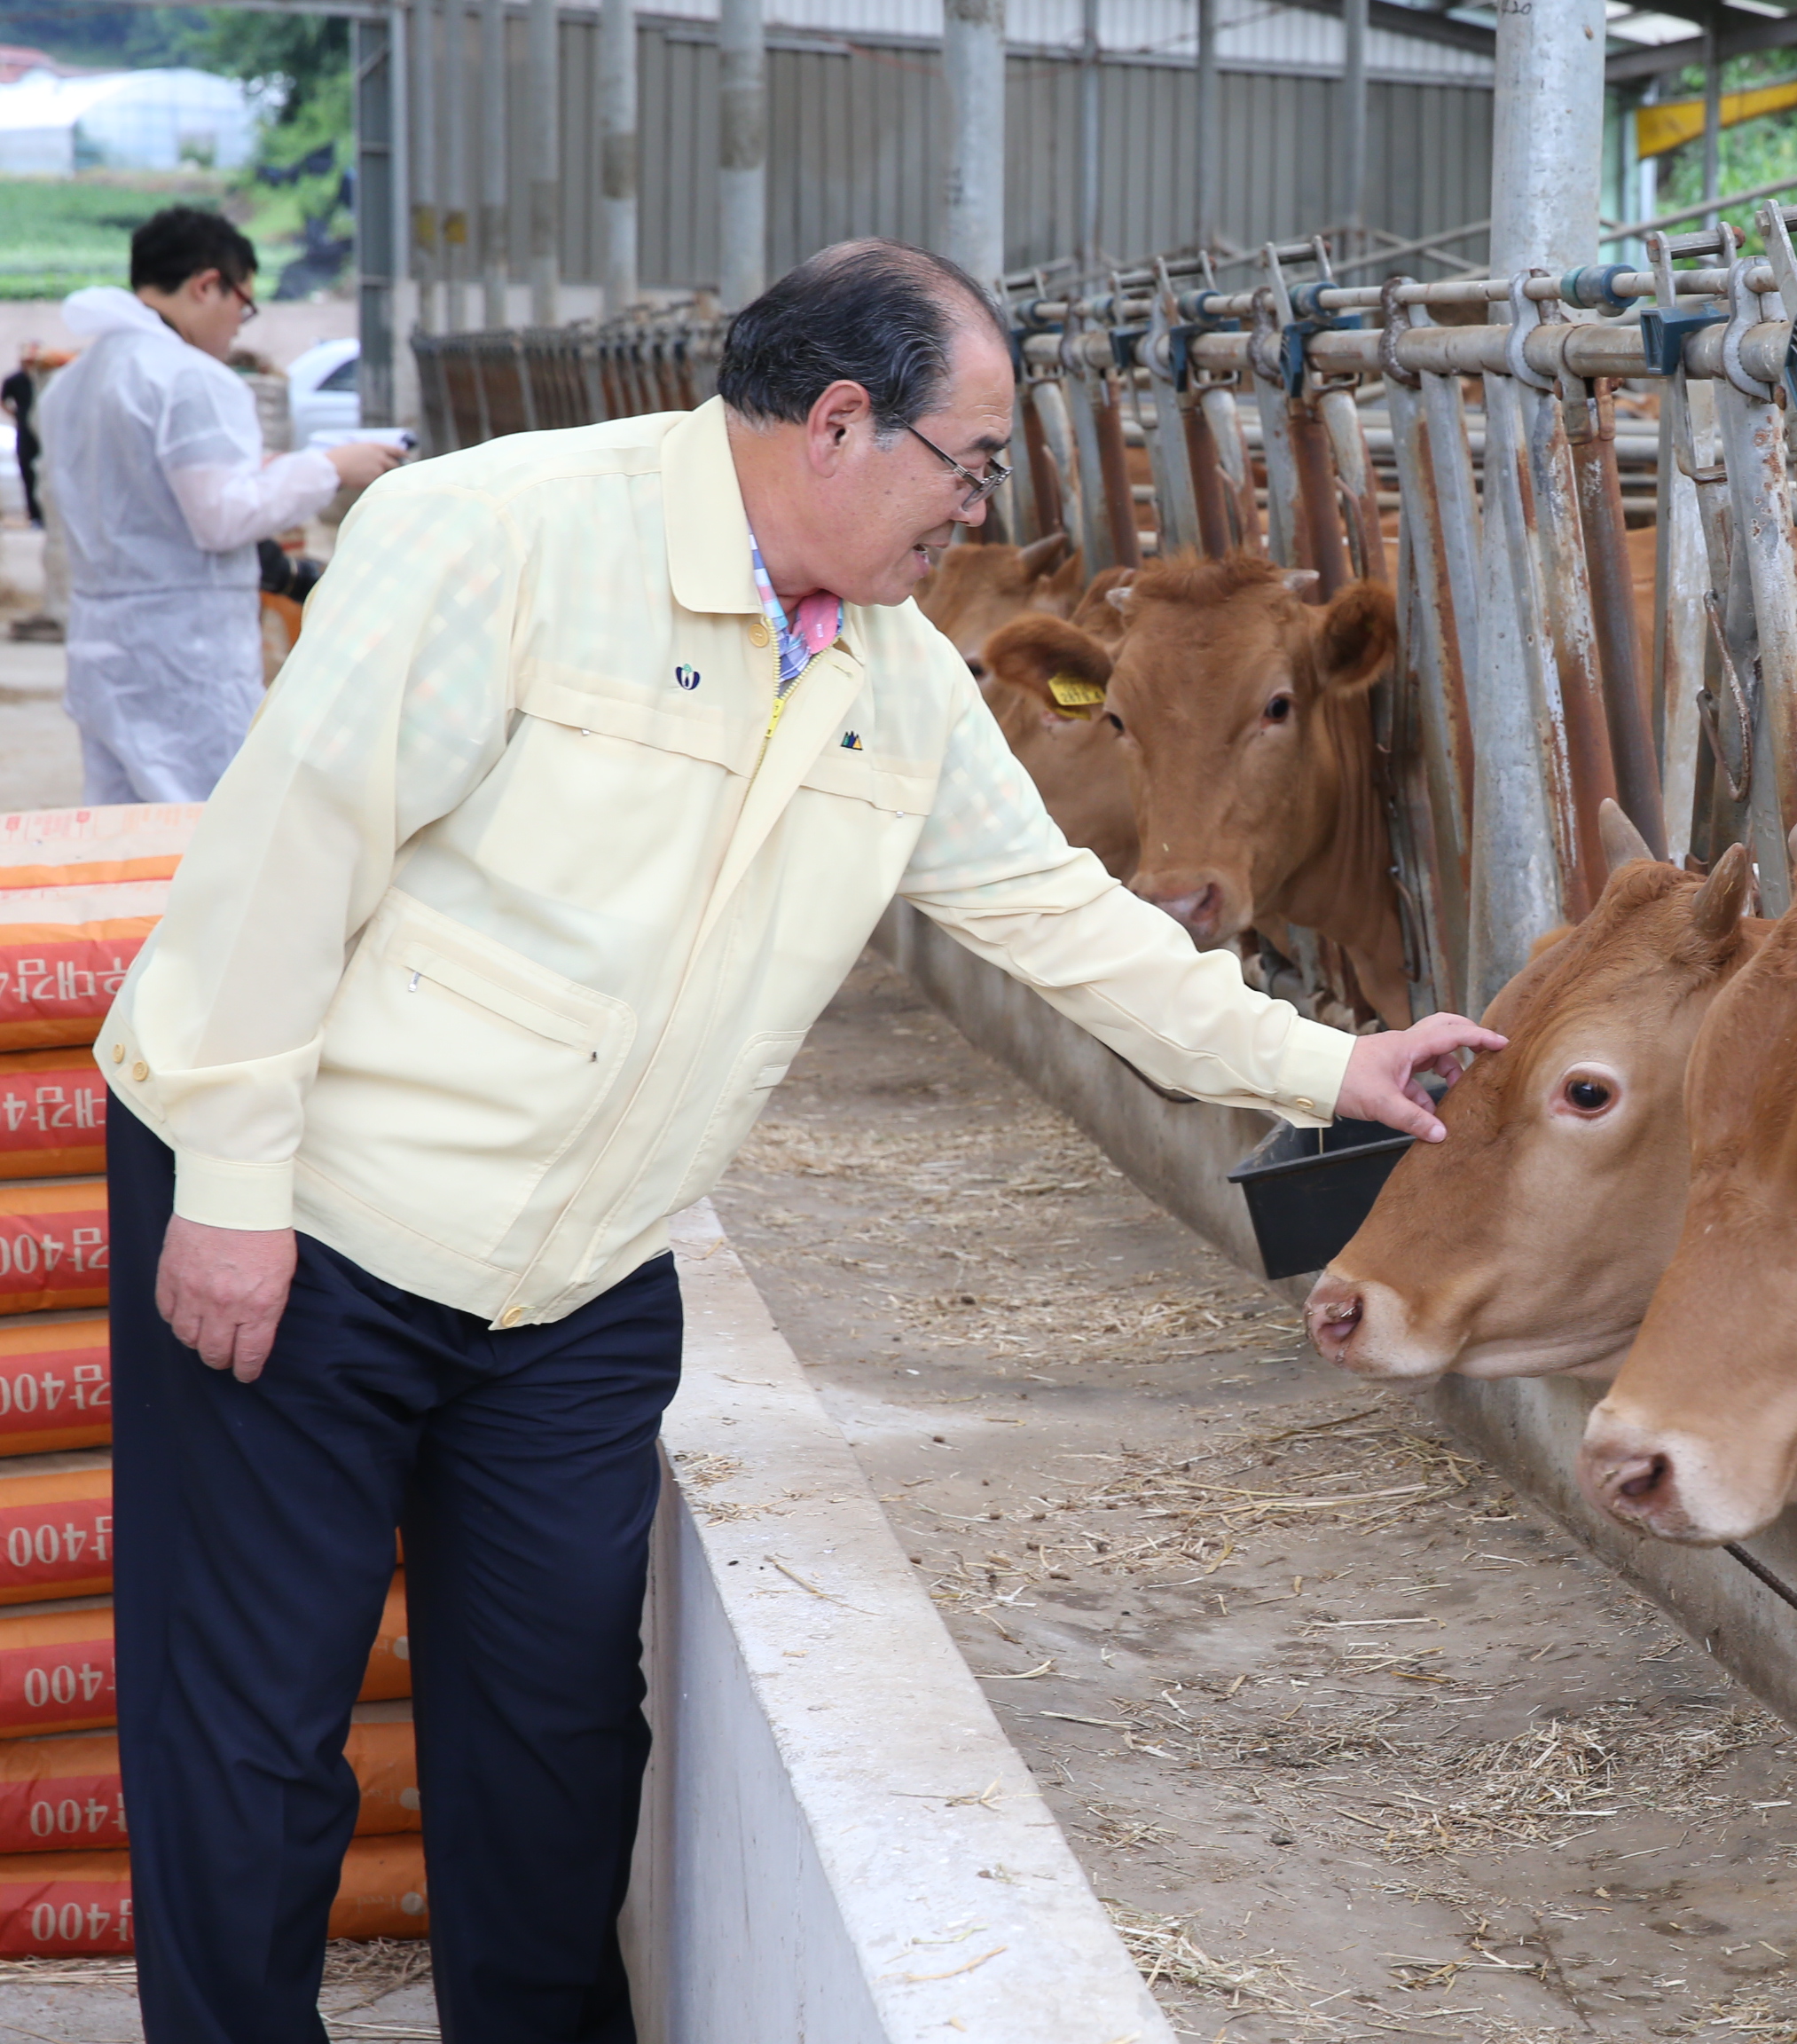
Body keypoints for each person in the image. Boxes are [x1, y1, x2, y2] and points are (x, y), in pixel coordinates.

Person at [97, 237, 1503, 2044]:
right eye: (971, 462)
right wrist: (226, 1184)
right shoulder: (500, 534)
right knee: (254, 1737)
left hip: (579, 1273)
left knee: (554, 1747)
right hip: (309, 1216)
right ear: (844, 422)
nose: (980, 507)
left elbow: (1056, 917)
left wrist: (1330, 1067)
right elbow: (287, 858)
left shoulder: (896, 680)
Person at [37, 206, 405, 804]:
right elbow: (223, 517)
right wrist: (330, 467)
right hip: (185, 652)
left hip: (103, 644)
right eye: (243, 304)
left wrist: (273, 471)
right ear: (208, 285)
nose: (240, 324)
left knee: (123, 833)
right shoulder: (191, 379)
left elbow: (147, 499)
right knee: (210, 830)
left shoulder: (77, 383)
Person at [3, 342, 40, 528]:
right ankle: (34, 515)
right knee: (28, 472)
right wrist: (15, 414)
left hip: (43, 431)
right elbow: (3, 400)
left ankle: (44, 513)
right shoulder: (15, 380)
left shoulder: (44, 378)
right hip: (25, 430)